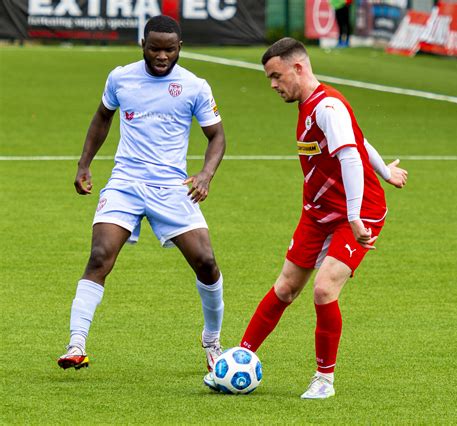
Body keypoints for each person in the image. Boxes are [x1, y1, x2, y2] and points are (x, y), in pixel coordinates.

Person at [204, 38, 407, 398]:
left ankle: (324, 380)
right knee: (285, 287)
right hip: (317, 212)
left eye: (276, 76)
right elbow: (360, 139)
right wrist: (385, 171)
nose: (273, 85)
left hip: (356, 215)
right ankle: (239, 358)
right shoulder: (311, 106)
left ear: (298, 68)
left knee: (324, 288)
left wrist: (356, 215)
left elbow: (348, 155)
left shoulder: (327, 107)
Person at [57, 15, 226, 375]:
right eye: (154, 48)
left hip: (172, 188)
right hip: (126, 183)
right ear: (143, 47)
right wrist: (83, 164)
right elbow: (102, 117)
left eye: (169, 49)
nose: (161, 56)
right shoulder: (121, 77)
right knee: (100, 256)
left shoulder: (195, 86)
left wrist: (206, 174)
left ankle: (212, 341)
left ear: (180, 48)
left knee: (207, 263)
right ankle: (76, 344)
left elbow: (217, 136)